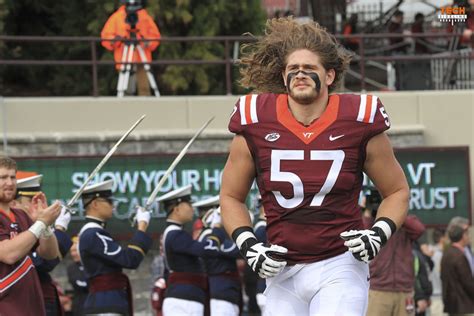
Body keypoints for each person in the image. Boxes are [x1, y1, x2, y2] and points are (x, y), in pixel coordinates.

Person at [220, 17, 410, 316]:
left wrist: (378, 233)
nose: (300, 74)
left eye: (310, 69)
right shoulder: (256, 118)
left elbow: (397, 190)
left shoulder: (358, 118)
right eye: (293, 69)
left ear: (330, 75)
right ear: (283, 77)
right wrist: (249, 245)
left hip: (340, 263)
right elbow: (230, 196)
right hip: (282, 269)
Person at [78, 179, 152, 315]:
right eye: (109, 201)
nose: (113, 206)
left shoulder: (96, 233)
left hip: (108, 303)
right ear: (95, 204)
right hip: (105, 306)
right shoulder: (93, 234)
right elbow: (130, 260)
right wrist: (142, 227)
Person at [0, 156, 61, 315]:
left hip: (32, 306)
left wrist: (46, 226)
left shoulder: (20, 215)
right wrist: (41, 223)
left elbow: (49, 254)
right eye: (3, 177)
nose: (10, 182)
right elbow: (8, 254)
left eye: (13, 177)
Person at [11, 174, 73, 316]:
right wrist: (59, 230)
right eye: (31, 200)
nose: (37, 206)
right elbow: (43, 263)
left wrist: (48, 227)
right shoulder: (11, 229)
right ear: (14, 204)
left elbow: (51, 256)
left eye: (39, 200)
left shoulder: (35, 229)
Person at [160, 185, 226, 316]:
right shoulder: (176, 234)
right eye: (189, 205)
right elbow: (208, 250)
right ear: (177, 209)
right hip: (183, 300)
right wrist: (217, 227)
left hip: (183, 297)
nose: (192, 209)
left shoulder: (174, 233)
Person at [363, 188, 426, 316]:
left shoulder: (404, 225)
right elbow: (362, 234)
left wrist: (396, 211)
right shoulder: (371, 223)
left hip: (404, 290)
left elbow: (419, 229)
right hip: (378, 289)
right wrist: (367, 210)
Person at [101, 0, 161, 96]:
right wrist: (116, 40)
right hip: (124, 57)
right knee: (126, 88)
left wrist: (148, 42)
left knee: (144, 87)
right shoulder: (117, 17)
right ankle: (126, 105)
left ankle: (145, 108)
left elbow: (155, 36)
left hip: (141, 58)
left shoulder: (145, 17)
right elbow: (106, 36)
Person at [197, 197, 242, 316]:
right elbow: (236, 251)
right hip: (221, 290)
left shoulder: (213, 234)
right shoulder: (211, 235)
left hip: (224, 290)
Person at [440, 216, 474, 315]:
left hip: (454, 304)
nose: (469, 236)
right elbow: (467, 281)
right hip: (463, 304)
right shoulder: (458, 256)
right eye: (467, 233)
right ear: (462, 236)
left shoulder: (448, 252)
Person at [67, 236, 89, 316]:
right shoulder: (72, 267)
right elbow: (78, 283)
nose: (73, 254)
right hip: (80, 306)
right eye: (72, 251)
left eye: (75, 251)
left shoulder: (91, 264)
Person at [413, 240, 433, 316]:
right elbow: (414, 277)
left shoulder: (419, 254)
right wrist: (419, 297)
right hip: (417, 299)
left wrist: (427, 297)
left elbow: (426, 274)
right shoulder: (414, 253)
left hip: (422, 297)